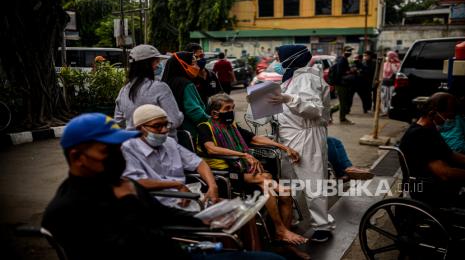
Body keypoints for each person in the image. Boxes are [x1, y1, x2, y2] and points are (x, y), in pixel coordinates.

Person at [42, 113, 285, 260]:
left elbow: (163, 215)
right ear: (77, 158)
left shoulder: (120, 184)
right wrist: (128, 200)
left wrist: (209, 218)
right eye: (108, 150)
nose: (119, 156)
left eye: (119, 148)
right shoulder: (66, 209)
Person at [197, 94, 310, 259]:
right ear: (215, 113)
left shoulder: (232, 127)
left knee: (285, 192)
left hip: (244, 171)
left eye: (232, 108)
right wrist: (243, 155)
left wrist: (283, 147)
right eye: (226, 109)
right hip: (226, 175)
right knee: (266, 180)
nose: (231, 112)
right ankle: (280, 231)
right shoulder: (205, 127)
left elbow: (254, 138)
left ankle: (283, 239)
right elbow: (211, 149)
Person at [270, 44, 335, 242]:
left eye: (278, 57)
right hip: (291, 137)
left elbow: (313, 109)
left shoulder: (306, 78)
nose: (276, 61)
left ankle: (322, 227)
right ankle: (295, 218)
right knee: (292, 182)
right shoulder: (293, 77)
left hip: (306, 136)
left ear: (292, 58)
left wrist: (286, 98)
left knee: (312, 182)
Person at [122, 104, 219, 209]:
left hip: (187, 198)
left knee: (232, 212)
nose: (164, 130)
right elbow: (136, 182)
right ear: (140, 128)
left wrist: (212, 185)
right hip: (157, 205)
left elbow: (198, 163)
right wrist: (176, 185)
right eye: (157, 126)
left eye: (166, 124)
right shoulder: (128, 149)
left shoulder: (169, 143)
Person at [399, 92, 465, 207]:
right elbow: (444, 173)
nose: (449, 121)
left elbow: (450, 155)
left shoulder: (429, 128)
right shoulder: (420, 135)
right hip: (428, 188)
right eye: (448, 117)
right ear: (433, 113)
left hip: (433, 182)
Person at [114, 44, 183, 138]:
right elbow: (174, 120)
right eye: (156, 62)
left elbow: (118, 121)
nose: (159, 65)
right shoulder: (160, 87)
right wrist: (180, 115)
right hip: (163, 145)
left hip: (133, 145)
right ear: (146, 64)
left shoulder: (124, 90)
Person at [162, 51, 209, 138]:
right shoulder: (186, 84)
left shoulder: (165, 82)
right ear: (183, 65)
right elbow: (194, 111)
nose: (196, 67)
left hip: (172, 131)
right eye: (193, 63)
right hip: (190, 131)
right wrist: (211, 120)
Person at [333, 46, 357, 124]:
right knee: (343, 103)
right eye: (348, 51)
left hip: (343, 84)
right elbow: (339, 73)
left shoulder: (344, 59)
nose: (350, 53)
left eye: (350, 51)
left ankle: (331, 111)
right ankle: (342, 119)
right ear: (344, 51)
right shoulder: (341, 60)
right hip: (341, 84)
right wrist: (350, 72)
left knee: (344, 102)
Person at [380, 51, 400, 116]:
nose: (388, 57)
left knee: (390, 98)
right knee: (384, 97)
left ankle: (390, 111)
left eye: (389, 56)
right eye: (387, 56)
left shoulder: (397, 64)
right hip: (384, 82)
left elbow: (395, 72)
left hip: (392, 83)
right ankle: (384, 111)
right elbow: (382, 73)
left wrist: (392, 63)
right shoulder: (385, 63)